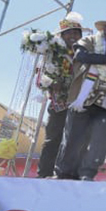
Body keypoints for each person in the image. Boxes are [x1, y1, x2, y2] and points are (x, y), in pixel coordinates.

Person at [57, 13, 106, 180]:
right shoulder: (90, 41)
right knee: (73, 138)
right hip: (82, 99)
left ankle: (87, 174)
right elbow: (80, 56)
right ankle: (64, 173)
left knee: (99, 143)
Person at [35, 12, 90, 178]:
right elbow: (39, 79)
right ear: (62, 35)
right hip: (58, 104)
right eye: (69, 33)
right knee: (53, 139)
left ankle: (70, 174)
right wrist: (52, 84)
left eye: (76, 33)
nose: (73, 36)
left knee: (77, 141)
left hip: (79, 104)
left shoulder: (85, 55)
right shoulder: (52, 54)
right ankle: (44, 173)